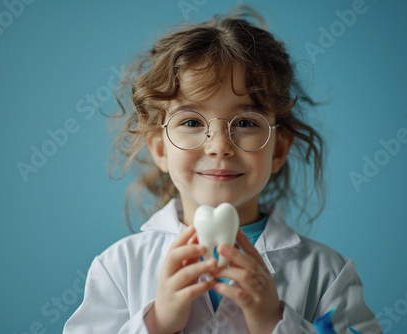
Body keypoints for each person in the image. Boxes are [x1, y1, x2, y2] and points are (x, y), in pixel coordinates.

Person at [63, 7, 382, 334]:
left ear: (279, 150)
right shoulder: (118, 268)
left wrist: (274, 322)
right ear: (159, 148)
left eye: (245, 122)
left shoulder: (327, 274)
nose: (219, 145)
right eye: (191, 122)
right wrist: (157, 322)